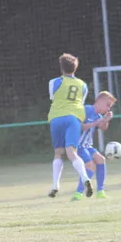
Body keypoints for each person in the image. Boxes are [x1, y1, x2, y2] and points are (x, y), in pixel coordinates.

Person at [47, 53, 94, 198]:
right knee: (72, 152)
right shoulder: (83, 85)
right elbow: (81, 102)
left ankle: (55, 185)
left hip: (56, 118)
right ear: (75, 68)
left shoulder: (54, 82)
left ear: (61, 67)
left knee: (58, 152)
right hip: (73, 118)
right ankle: (85, 178)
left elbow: (53, 97)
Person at [71, 91, 117, 201]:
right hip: (77, 146)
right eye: (107, 105)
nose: (108, 109)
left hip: (87, 146)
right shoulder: (87, 110)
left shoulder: (98, 115)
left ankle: (100, 191)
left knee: (101, 159)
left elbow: (103, 127)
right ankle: (78, 194)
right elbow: (79, 126)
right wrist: (96, 122)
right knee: (90, 166)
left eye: (110, 107)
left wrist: (105, 120)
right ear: (99, 101)